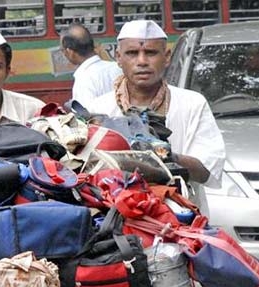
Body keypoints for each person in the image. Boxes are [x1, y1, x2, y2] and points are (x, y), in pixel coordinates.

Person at [85, 20, 225, 215]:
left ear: (166, 57)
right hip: (117, 223)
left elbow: (206, 170)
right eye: (132, 53)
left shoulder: (192, 104)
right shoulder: (98, 108)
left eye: (150, 53)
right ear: (118, 57)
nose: (142, 61)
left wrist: (164, 156)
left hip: (182, 219)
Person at [60, 22, 123, 106]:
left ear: (70, 52)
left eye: (62, 50)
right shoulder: (118, 67)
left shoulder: (83, 79)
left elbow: (86, 116)